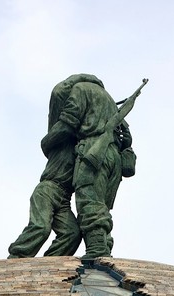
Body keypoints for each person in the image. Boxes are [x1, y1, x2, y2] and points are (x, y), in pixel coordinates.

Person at [7, 74, 107, 258]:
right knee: (41, 227)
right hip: (48, 190)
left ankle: (49, 264)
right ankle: (17, 257)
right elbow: (59, 91)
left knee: (72, 234)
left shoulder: (84, 148)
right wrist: (89, 80)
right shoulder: (59, 141)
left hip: (64, 199)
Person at [41, 75, 134, 258]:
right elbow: (126, 138)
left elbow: (68, 124)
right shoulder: (110, 102)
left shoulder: (80, 90)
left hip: (93, 151)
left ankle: (97, 249)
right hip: (113, 157)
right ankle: (104, 244)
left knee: (88, 200)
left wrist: (47, 141)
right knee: (102, 206)